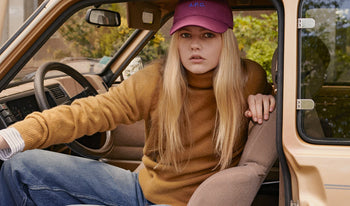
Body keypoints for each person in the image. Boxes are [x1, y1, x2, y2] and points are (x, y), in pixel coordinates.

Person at [0, 0, 275, 205]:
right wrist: (12, 136)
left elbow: (277, 98)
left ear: (226, 40)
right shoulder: (156, 78)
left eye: (207, 35)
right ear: (176, 40)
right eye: (186, 35)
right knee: (20, 166)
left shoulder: (249, 79)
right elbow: (93, 111)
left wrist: (266, 97)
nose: (195, 45)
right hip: (140, 189)